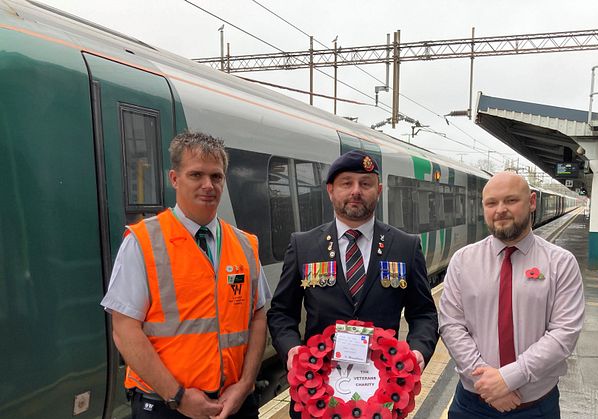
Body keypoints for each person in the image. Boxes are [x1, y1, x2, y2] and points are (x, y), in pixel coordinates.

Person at [101, 132, 271, 419]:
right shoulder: (144, 241)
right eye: (196, 175)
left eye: (216, 177)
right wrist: (177, 396)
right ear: (174, 178)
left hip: (235, 403)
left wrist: (244, 385)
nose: (208, 185)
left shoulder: (244, 244)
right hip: (166, 406)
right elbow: (124, 328)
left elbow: (258, 317)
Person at [267, 150, 438, 416]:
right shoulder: (303, 245)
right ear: (331, 190)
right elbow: (281, 312)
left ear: (378, 190)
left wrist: (418, 352)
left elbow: (424, 313)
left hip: (383, 399)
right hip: (316, 396)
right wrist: (292, 350)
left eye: (365, 183)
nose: (356, 191)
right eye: (347, 183)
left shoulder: (405, 246)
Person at [438, 171, 584, 418]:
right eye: (491, 203)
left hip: (535, 408)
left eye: (511, 200)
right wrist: (488, 384)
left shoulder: (561, 263)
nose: (500, 210)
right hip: (472, 405)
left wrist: (508, 378)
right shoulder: (463, 261)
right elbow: (451, 324)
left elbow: (564, 333)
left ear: (532, 202)